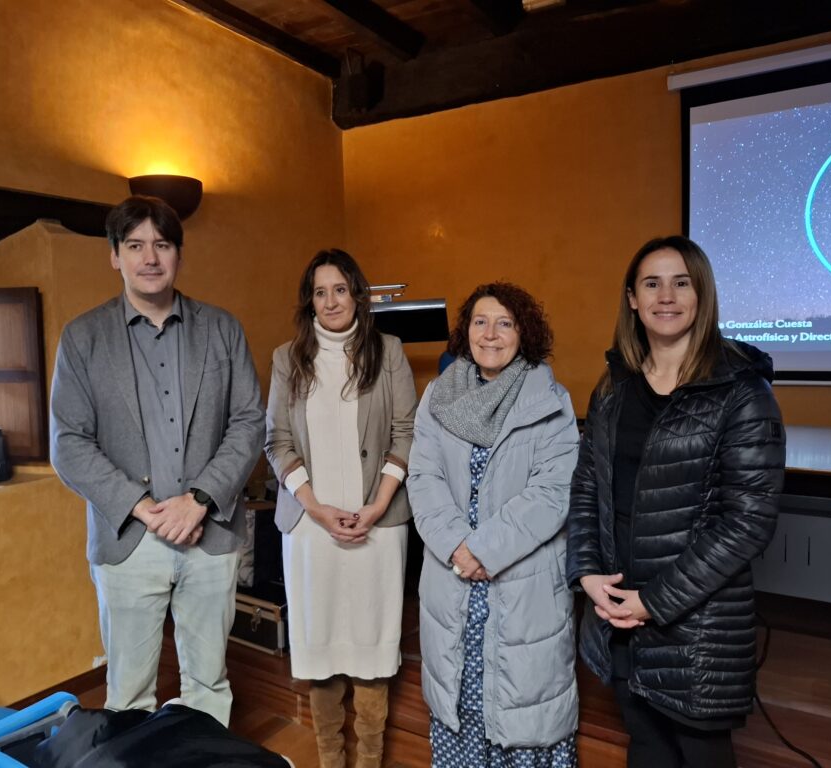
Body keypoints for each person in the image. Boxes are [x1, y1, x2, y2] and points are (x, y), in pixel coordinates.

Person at [566, 235, 785, 768]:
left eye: (681, 283)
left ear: (701, 295)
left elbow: (748, 521)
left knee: (701, 754)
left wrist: (654, 601)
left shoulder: (742, 392)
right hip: (618, 616)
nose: (666, 296)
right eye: (652, 283)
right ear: (632, 299)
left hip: (698, 629)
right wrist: (587, 573)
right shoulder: (613, 388)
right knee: (646, 748)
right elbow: (587, 486)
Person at [50, 195, 265, 726]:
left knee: (209, 684)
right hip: (128, 540)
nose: (150, 257)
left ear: (178, 255)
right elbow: (69, 443)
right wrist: (144, 508)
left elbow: (248, 421)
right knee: (127, 696)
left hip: (209, 533)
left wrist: (200, 500)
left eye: (162, 245)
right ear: (115, 256)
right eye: (135, 245)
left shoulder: (222, 329)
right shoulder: (83, 338)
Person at [407, 282, 580, 767]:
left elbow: (553, 491)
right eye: (480, 322)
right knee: (458, 701)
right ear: (466, 331)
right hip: (453, 575)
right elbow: (423, 476)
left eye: (505, 323)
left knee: (523, 708)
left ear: (524, 333)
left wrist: (484, 550)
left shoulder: (550, 399)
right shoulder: (438, 395)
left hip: (521, 580)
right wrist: (457, 547)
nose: (490, 334)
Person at [264, 249, 417, 768]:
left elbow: (406, 431)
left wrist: (377, 505)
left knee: (372, 647)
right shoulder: (287, 358)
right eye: (320, 292)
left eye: (340, 290)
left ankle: (369, 760)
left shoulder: (388, 350)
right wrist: (315, 508)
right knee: (322, 648)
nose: (330, 301)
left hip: (379, 525)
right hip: (311, 529)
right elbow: (277, 441)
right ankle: (331, 759)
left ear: (358, 295)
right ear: (309, 300)